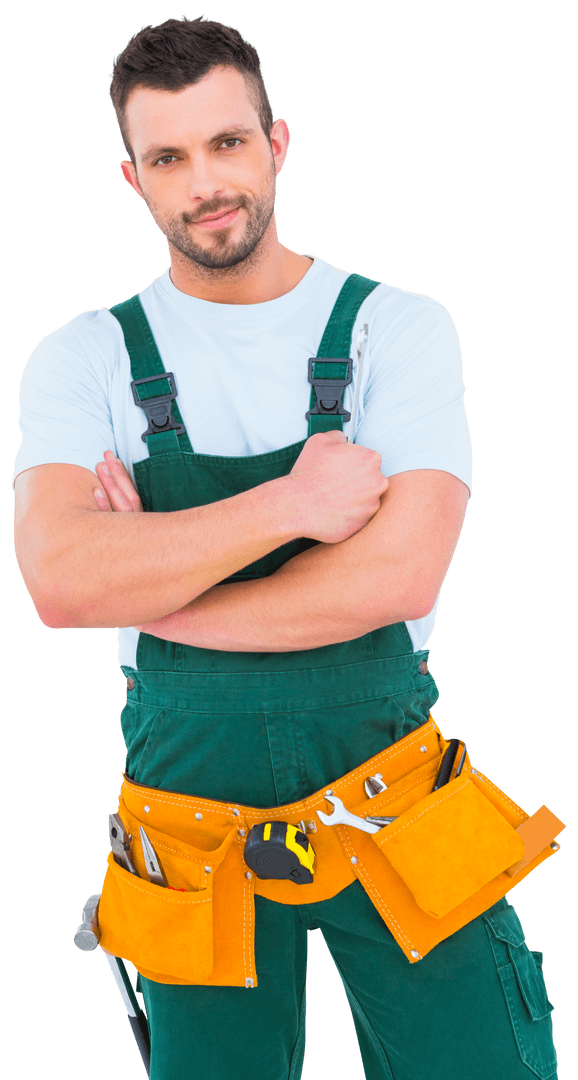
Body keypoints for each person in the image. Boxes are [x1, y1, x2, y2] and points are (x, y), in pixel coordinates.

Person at [12, 15, 558, 1080]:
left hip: (390, 799)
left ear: (277, 143)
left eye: (226, 144)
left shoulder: (394, 327)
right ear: (133, 178)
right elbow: (61, 579)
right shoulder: (81, 358)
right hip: (186, 831)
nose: (203, 182)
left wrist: (156, 587)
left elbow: (397, 574)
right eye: (168, 157)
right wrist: (292, 505)